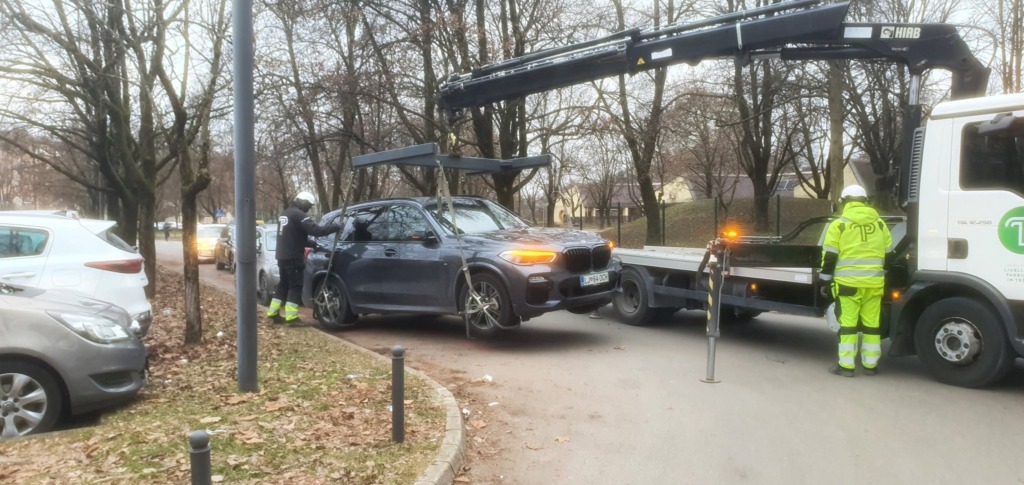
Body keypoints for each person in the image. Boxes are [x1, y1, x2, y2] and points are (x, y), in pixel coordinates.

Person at [819, 184, 892, 377]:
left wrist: (825, 280)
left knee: (848, 325)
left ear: (844, 202)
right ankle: (870, 366)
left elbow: (830, 257)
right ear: (865, 202)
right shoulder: (880, 224)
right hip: (874, 284)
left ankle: (846, 366)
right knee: (872, 325)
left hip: (848, 284)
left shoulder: (839, 225)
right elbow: (889, 254)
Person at [266, 191, 343, 326]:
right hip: (293, 257)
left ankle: (273, 314)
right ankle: (292, 319)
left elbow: (293, 237)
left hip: (282, 256)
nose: (309, 208)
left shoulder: (286, 213)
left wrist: (313, 244)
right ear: (303, 202)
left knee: (283, 285)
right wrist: (335, 227)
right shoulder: (299, 215)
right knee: (295, 286)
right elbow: (316, 231)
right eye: (309, 205)